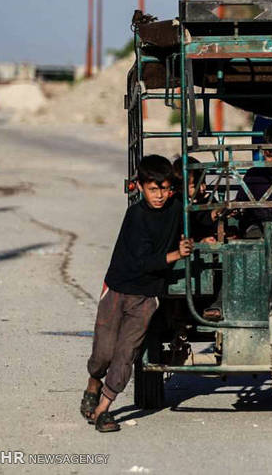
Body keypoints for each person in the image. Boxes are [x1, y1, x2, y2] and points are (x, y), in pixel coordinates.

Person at [80, 155, 194, 432]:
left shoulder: (177, 208)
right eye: (154, 189)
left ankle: (104, 410)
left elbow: (196, 220)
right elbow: (141, 262)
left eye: (165, 189)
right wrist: (176, 254)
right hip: (118, 289)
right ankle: (93, 384)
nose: (160, 196)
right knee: (103, 354)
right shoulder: (136, 216)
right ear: (141, 187)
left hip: (147, 296)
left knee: (126, 354)